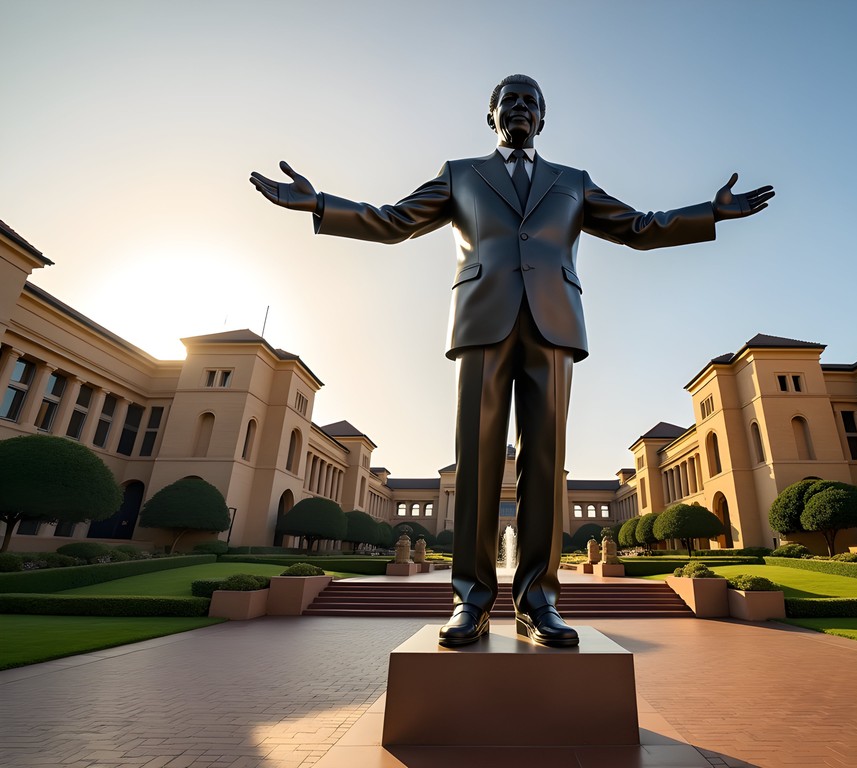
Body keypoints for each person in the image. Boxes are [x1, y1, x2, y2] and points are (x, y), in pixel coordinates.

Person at [250, 74, 773, 648]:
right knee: (475, 462)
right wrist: (321, 204)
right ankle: (471, 603)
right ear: (492, 116)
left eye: (531, 102)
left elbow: (639, 228)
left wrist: (711, 213)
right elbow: (396, 221)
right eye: (509, 101)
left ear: (543, 119)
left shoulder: (572, 183)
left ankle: (539, 604)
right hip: (481, 322)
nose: (520, 108)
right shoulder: (461, 174)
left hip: (553, 325)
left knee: (545, 465)